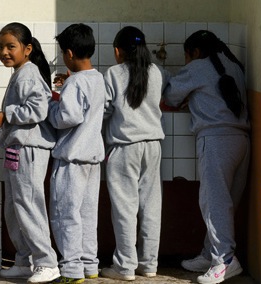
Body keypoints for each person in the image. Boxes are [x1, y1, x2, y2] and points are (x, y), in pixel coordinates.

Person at [163, 30, 249, 284]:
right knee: (226, 202)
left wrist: (189, 96)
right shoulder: (233, 66)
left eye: (186, 56)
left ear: (196, 52)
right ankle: (210, 253)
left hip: (216, 141)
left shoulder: (198, 67)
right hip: (242, 141)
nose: (187, 62)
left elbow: (170, 95)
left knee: (213, 204)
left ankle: (225, 260)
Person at [0, 22, 60, 284]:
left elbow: (38, 110)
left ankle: (46, 262)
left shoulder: (29, 74)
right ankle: (25, 259)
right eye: (0, 47)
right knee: (15, 207)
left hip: (29, 148)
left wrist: (7, 114)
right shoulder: (20, 72)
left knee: (28, 204)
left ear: (27, 49)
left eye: (10, 46)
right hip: (17, 147)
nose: (4, 51)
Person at [100, 26, 168, 281]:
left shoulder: (114, 73)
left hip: (125, 146)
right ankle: (149, 263)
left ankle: (124, 266)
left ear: (117, 51)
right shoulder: (156, 72)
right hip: (152, 146)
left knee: (124, 208)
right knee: (151, 207)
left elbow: (105, 109)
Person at [46, 23, 106, 284]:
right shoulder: (98, 78)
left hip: (71, 158)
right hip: (93, 157)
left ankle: (71, 270)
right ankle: (89, 264)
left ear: (68, 53)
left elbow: (67, 117)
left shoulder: (74, 84)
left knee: (64, 214)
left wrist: (51, 104)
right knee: (87, 214)